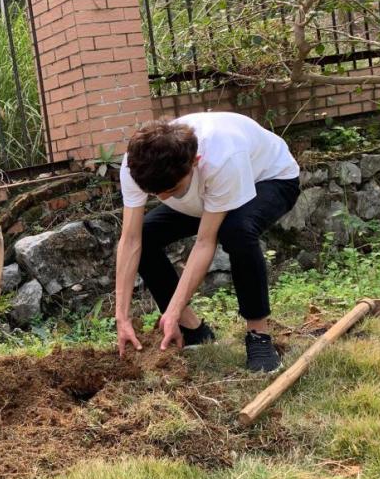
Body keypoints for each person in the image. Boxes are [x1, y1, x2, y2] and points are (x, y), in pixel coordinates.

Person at [114, 111, 300, 372]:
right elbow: (131, 239)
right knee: (146, 236)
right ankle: (193, 330)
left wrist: (172, 309)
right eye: (156, 194)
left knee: (237, 231)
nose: (164, 198)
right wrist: (121, 317)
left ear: (195, 162)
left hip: (269, 178)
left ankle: (258, 336)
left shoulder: (222, 157)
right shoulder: (138, 163)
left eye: (172, 190)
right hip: (206, 194)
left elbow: (204, 242)